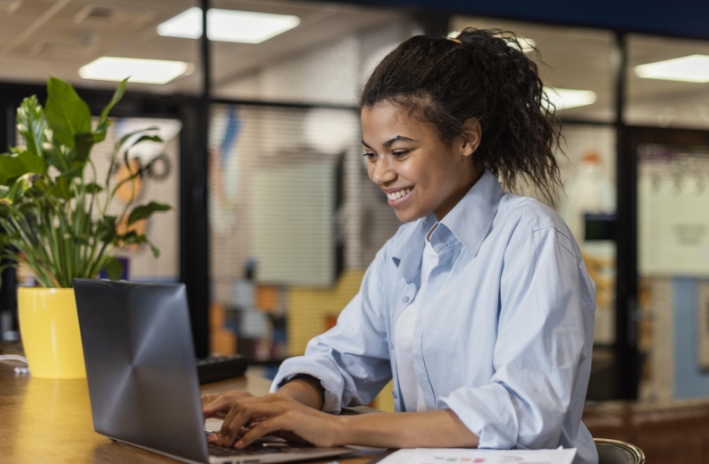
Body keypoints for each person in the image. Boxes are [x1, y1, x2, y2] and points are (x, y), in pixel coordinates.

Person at [202, 28, 598, 464]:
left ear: (467, 138)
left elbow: (523, 412)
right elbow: (343, 356)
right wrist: (289, 403)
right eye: (371, 154)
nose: (380, 174)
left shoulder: (531, 238)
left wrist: (336, 428)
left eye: (400, 152)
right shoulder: (405, 247)